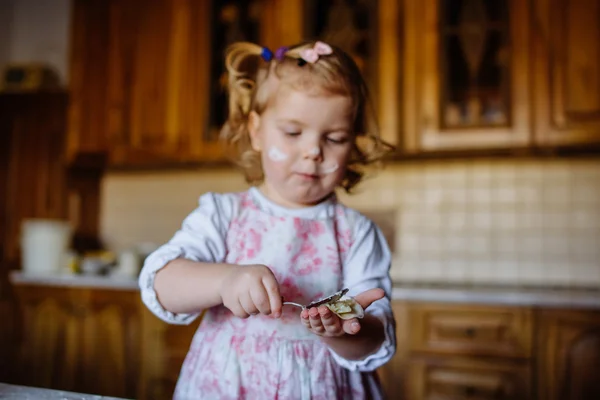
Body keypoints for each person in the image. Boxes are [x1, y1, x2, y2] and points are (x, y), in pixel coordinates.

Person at [139, 40, 396, 399]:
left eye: (335, 138)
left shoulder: (356, 234)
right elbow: (160, 284)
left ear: (352, 143)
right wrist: (225, 279)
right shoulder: (223, 215)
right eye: (293, 132)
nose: (313, 151)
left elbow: (373, 341)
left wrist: (345, 330)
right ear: (257, 130)